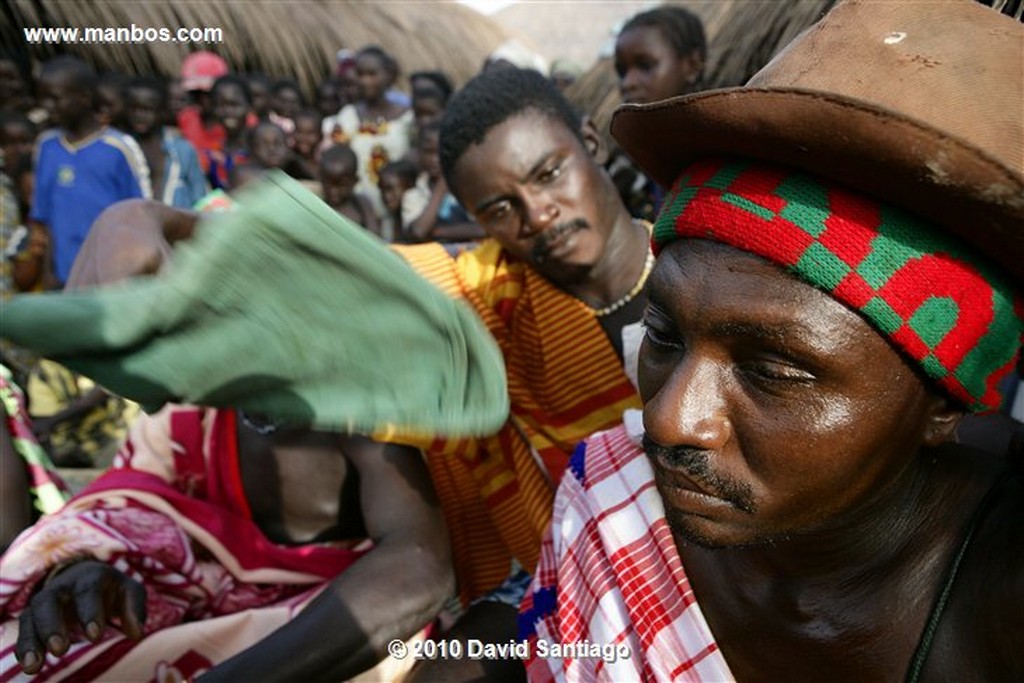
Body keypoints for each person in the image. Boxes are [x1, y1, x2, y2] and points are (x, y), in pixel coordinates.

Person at [40, 66, 654, 682]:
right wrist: (142, 218)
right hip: (545, 578)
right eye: (499, 207)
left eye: (549, 173)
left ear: (590, 143)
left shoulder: (696, 279)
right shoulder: (486, 293)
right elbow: (330, 271)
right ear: (474, 217)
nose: (538, 212)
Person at [522, 2, 1024, 681]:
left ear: (942, 403)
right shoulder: (613, 500)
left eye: (773, 371)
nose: (669, 419)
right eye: (664, 335)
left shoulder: (999, 599)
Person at [0, 201, 454, 682]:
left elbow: (419, 566)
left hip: (322, 623)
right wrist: (85, 570)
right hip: (204, 609)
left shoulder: (361, 406)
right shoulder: (197, 411)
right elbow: (134, 514)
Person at [30, 56, 149, 288]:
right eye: (43, 99)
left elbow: (140, 215)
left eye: (55, 99)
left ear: (83, 98)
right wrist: (48, 275)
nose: (47, 107)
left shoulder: (118, 148)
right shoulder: (47, 146)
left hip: (109, 277)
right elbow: (44, 216)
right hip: (62, 277)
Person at [610, 5, 707, 222]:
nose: (628, 83)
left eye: (645, 66)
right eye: (622, 71)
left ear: (692, 65)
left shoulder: (720, 150)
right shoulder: (625, 168)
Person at [322, 45, 414, 221]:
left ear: (388, 76)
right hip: (358, 214)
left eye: (372, 74)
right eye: (360, 74)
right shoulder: (348, 117)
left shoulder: (408, 119)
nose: (364, 81)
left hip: (398, 214)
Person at [125, 76, 209, 209]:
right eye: (134, 109)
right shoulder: (121, 150)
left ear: (163, 111)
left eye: (147, 110)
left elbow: (200, 199)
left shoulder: (182, 151)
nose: (139, 115)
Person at [400, 122, 481, 245]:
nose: (435, 160)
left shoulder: (468, 187)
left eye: (440, 152)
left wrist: (437, 232)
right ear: (418, 153)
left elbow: (484, 229)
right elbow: (418, 232)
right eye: (428, 152)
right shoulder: (413, 196)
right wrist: (440, 189)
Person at [319, 143, 380, 235]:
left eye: (341, 185)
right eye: (328, 184)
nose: (333, 191)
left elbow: (374, 237)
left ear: (355, 181)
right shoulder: (316, 203)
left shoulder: (362, 205)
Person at [205, 75, 252, 190]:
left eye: (235, 105)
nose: (228, 112)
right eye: (221, 105)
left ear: (249, 106)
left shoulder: (260, 148)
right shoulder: (213, 153)